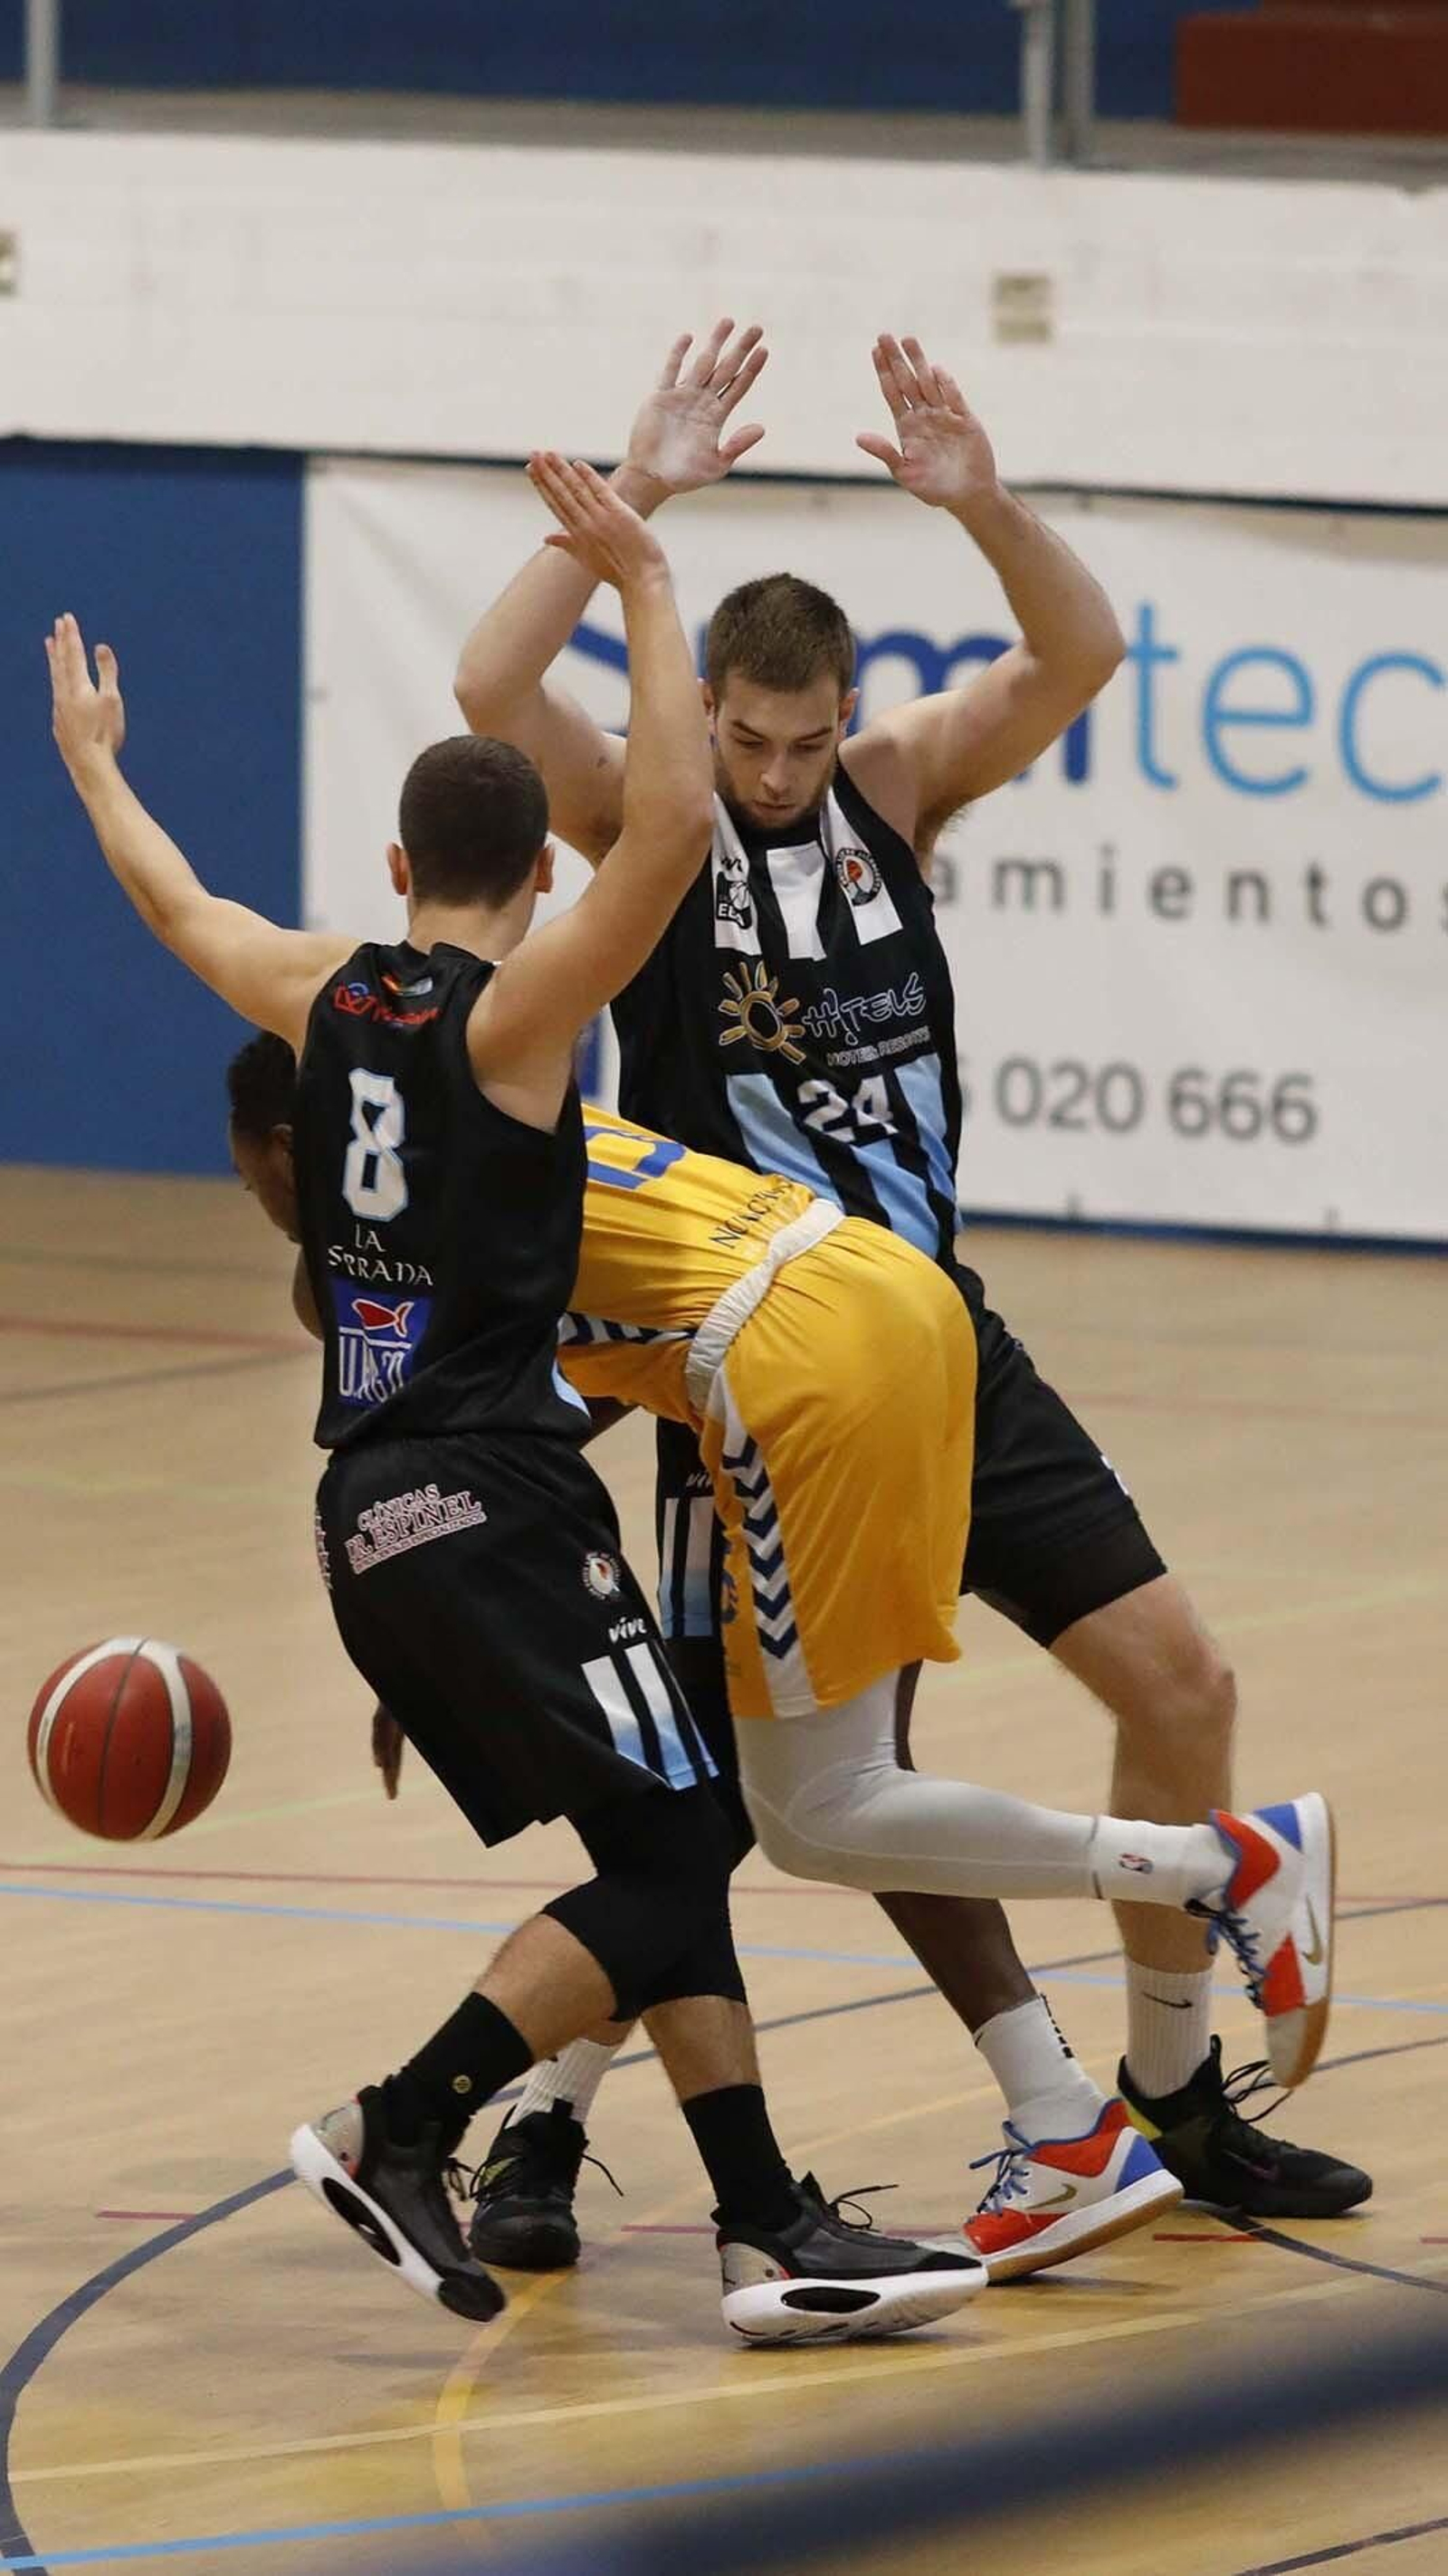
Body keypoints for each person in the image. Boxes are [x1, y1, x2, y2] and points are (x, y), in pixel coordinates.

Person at [44, 456, 986, 2347]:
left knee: (665, 1833)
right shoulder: (527, 1011)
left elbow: (173, 900)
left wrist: (91, 759)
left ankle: (758, 2222)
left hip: (364, 1511)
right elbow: (665, 818)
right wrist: (642, 585)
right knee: (690, 1836)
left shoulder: (320, 993)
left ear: (396, 873)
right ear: (533, 876)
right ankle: (403, 2124)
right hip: (496, 1492)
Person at [451, 320, 1370, 2244]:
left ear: (843, 716)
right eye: (749, 740)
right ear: (702, 710)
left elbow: (1080, 655)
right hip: (755, 1364)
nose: (777, 778)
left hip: (942, 1332)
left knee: (1177, 1683)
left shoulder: (892, 789)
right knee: (733, 1778)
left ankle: (1166, 2088)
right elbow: (486, 680)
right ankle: (550, 2109)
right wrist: (639, 494)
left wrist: (982, 502)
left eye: (803, 741)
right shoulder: (650, 815)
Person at [230, 1046, 1339, 2287]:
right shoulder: (518, 1106)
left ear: (287, 1150)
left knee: (803, 1808)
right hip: (896, 1306)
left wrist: (432, 1614)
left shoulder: (404, 1252)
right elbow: (558, 1386)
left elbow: (494, 1434)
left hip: (791, 1371)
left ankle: (1218, 1868)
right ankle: (945, 2157)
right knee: (723, 1804)